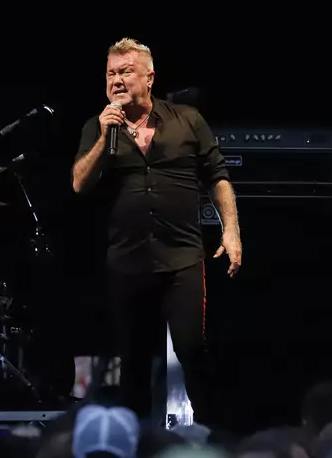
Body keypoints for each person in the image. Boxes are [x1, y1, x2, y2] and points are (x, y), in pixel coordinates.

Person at [72, 37, 242, 424]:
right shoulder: (97, 127)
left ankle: (212, 435)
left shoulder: (186, 119)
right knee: (132, 359)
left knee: (192, 348)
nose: (116, 81)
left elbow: (218, 176)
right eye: (111, 74)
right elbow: (80, 183)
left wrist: (230, 231)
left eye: (125, 72)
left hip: (181, 256)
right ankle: (136, 440)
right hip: (127, 260)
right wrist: (103, 138)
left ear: (149, 77)